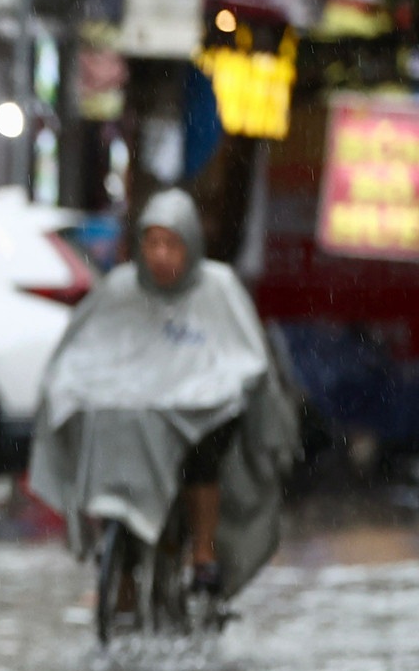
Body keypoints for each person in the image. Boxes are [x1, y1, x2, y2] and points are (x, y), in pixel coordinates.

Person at [29, 189, 298, 606]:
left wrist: (216, 388)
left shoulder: (218, 288)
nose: (160, 255)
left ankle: (203, 551)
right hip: (132, 421)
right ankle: (118, 560)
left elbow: (245, 358)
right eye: (151, 243)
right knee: (105, 443)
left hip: (196, 422)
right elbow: (82, 356)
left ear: (190, 245)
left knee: (203, 454)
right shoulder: (120, 291)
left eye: (171, 244)